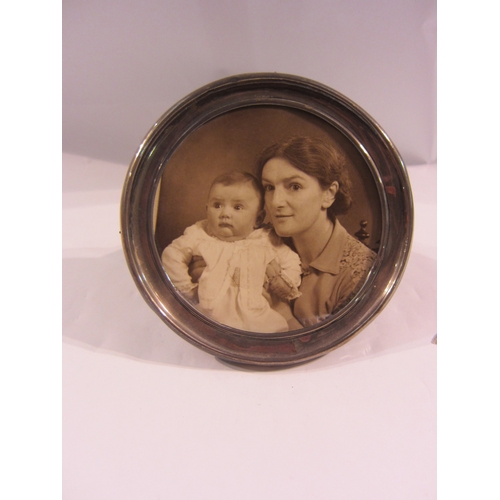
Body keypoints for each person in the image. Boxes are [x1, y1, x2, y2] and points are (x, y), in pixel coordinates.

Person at [256, 136, 377, 327]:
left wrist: (280, 311)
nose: (276, 202)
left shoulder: (360, 275)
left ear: (329, 194)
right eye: (269, 187)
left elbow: (337, 352)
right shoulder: (259, 241)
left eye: (294, 186)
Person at [161, 171, 302, 333]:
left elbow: (291, 260)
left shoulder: (266, 240)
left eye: (237, 207)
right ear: (206, 210)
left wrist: (284, 282)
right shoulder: (199, 234)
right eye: (217, 205)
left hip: (259, 319)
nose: (225, 214)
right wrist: (187, 290)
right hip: (209, 317)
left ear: (258, 218)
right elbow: (171, 255)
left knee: (277, 332)